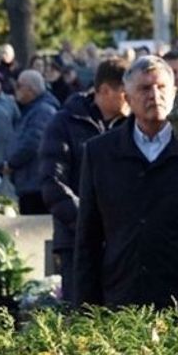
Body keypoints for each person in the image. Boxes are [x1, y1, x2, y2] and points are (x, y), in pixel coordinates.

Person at [75, 55, 178, 309]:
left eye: (161, 87)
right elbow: (88, 237)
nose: (154, 95)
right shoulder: (100, 153)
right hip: (124, 299)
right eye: (144, 89)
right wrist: (85, 311)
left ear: (174, 92)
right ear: (127, 99)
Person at [39, 58, 129, 304]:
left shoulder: (132, 127)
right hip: (76, 240)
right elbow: (53, 182)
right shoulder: (64, 123)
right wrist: (90, 223)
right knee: (83, 314)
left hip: (123, 241)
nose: (131, 99)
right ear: (105, 90)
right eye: (125, 93)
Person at [3, 70, 60, 214]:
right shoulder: (32, 110)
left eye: (19, 86)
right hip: (29, 182)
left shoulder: (43, 111)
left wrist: (12, 163)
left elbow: (33, 142)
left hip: (36, 184)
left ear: (30, 89)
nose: (16, 90)